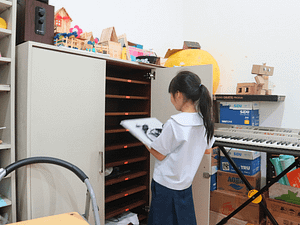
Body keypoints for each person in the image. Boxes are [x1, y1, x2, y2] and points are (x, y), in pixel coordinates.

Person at [145, 70, 215, 225]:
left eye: (171, 95)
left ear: (178, 95)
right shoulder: (204, 121)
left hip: (165, 186)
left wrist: (144, 139)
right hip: (184, 186)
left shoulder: (175, 123)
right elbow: (208, 150)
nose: (171, 99)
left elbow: (159, 154)